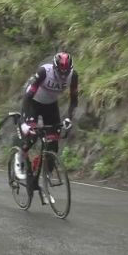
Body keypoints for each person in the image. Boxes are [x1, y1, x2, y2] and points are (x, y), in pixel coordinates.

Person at [15, 51, 78, 182]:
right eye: (60, 72)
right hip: (33, 102)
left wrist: (68, 118)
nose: (62, 76)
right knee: (31, 135)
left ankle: (46, 171)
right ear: (54, 67)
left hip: (50, 105)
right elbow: (28, 96)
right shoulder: (44, 72)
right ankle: (20, 157)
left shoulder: (73, 76)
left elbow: (74, 100)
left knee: (53, 142)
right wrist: (25, 123)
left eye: (65, 73)